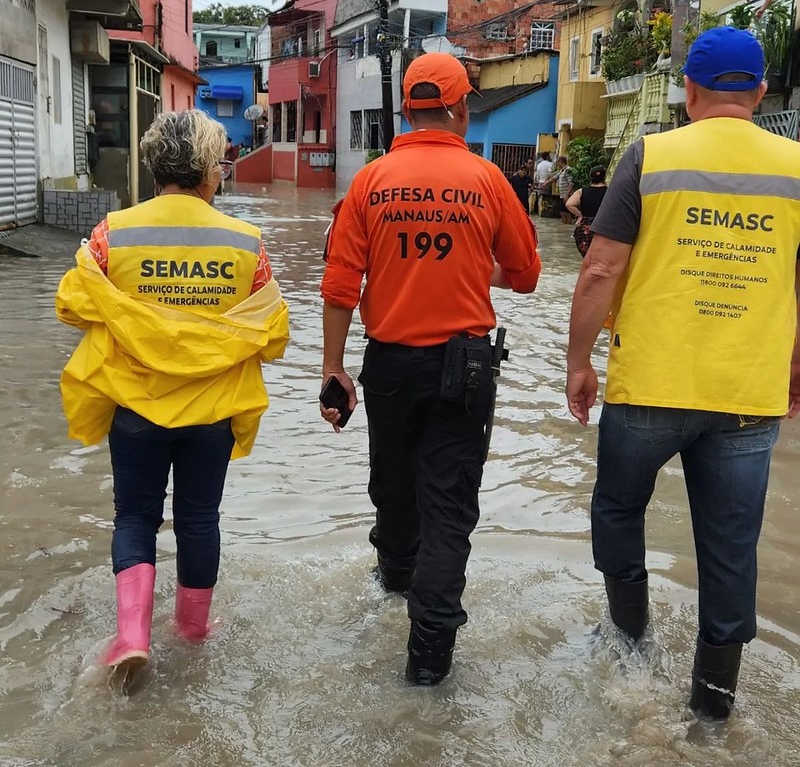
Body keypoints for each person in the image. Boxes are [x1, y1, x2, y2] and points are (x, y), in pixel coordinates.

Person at [565, 27, 800, 722]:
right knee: (731, 549)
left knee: (617, 509)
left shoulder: (651, 155)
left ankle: (630, 649)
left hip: (650, 385)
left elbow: (601, 269)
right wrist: (795, 368)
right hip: (747, 393)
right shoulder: (796, 167)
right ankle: (713, 709)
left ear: (689, 91)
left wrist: (578, 362)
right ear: (760, 91)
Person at [319, 52, 542, 686]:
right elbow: (525, 275)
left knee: (393, 488)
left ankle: (392, 583)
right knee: (448, 510)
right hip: (465, 372)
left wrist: (334, 368)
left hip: (387, 367)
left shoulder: (370, 182)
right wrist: (472, 268)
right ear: (462, 108)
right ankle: (428, 663)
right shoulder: (488, 180)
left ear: (407, 112)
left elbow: (340, 284)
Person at [56, 110, 290, 676]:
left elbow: (72, 304)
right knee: (199, 518)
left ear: (154, 165)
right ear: (208, 169)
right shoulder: (246, 243)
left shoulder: (113, 234)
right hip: (212, 413)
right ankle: (192, 629)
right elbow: (274, 331)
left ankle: (131, 638)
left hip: (135, 407)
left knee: (135, 518)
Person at [565, 164, 608, 257]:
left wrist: (580, 215)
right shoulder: (610, 192)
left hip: (586, 227)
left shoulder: (582, 191)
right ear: (604, 177)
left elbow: (569, 204)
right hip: (603, 226)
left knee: (587, 257)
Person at [547, 155, 574, 224]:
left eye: (557, 163)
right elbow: (555, 177)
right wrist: (545, 183)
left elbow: (571, 183)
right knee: (562, 212)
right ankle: (564, 226)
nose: (557, 165)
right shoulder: (562, 171)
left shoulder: (568, 170)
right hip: (562, 195)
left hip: (566, 195)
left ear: (561, 162)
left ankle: (568, 226)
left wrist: (567, 194)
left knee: (567, 212)